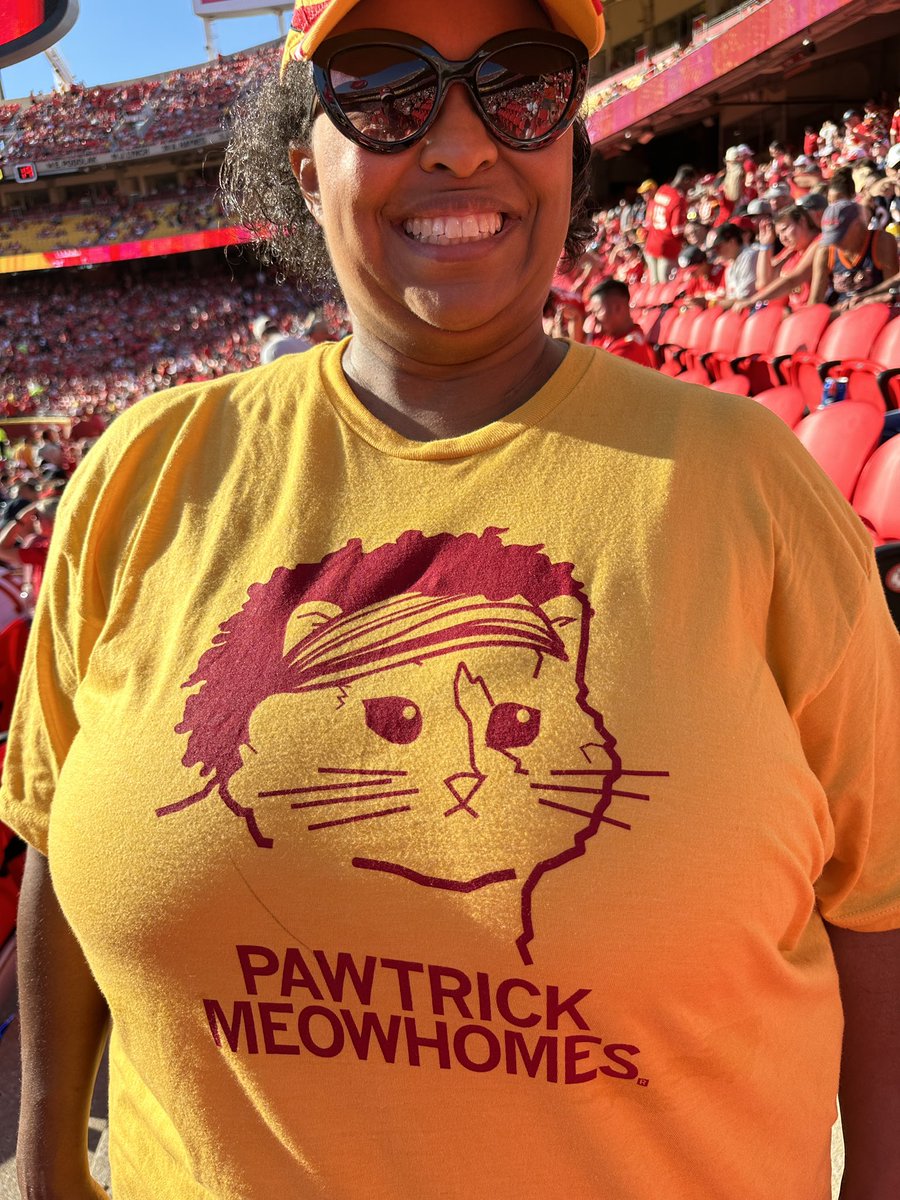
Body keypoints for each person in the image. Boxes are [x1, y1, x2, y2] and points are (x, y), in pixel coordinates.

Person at [3, 4, 899, 1200]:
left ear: (569, 147)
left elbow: (879, 906)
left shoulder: (754, 491)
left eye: (522, 84)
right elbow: (63, 836)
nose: (464, 144)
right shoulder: (141, 474)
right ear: (301, 166)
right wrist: (47, 1161)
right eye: (385, 88)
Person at [809, 199, 899, 307]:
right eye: (831, 238)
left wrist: (865, 299)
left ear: (857, 225)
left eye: (839, 236)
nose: (835, 243)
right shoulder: (826, 250)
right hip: (840, 315)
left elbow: (892, 294)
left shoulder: (881, 242)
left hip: (876, 311)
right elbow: (814, 303)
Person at [584, 278, 655, 368]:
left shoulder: (629, 349)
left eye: (598, 311)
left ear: (618, 308)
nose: (594, 318)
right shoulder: (609, 336)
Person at [643, 165, 696, 284]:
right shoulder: (679, 199)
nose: (693, 187)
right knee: (667, 289)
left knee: (655, 289)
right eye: (692, 183)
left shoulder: (662, 189)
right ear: (686, 180)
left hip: (652, 243)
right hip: (668, 248)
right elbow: (677, 230)